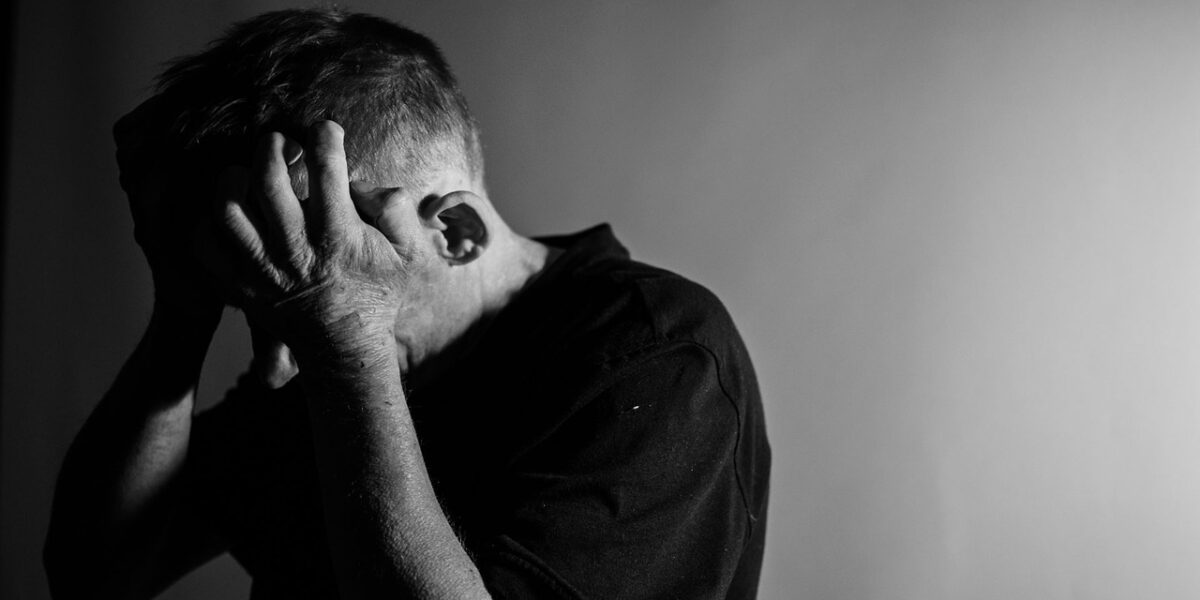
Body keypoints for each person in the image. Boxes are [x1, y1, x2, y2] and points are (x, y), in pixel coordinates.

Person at [43, 8, 770, 600]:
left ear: (455, 231)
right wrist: (184, 305)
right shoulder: (314, 341)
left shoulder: (656, 354)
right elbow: (95, 573)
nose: (271, 288)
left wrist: (345, 335)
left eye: (313, 241)